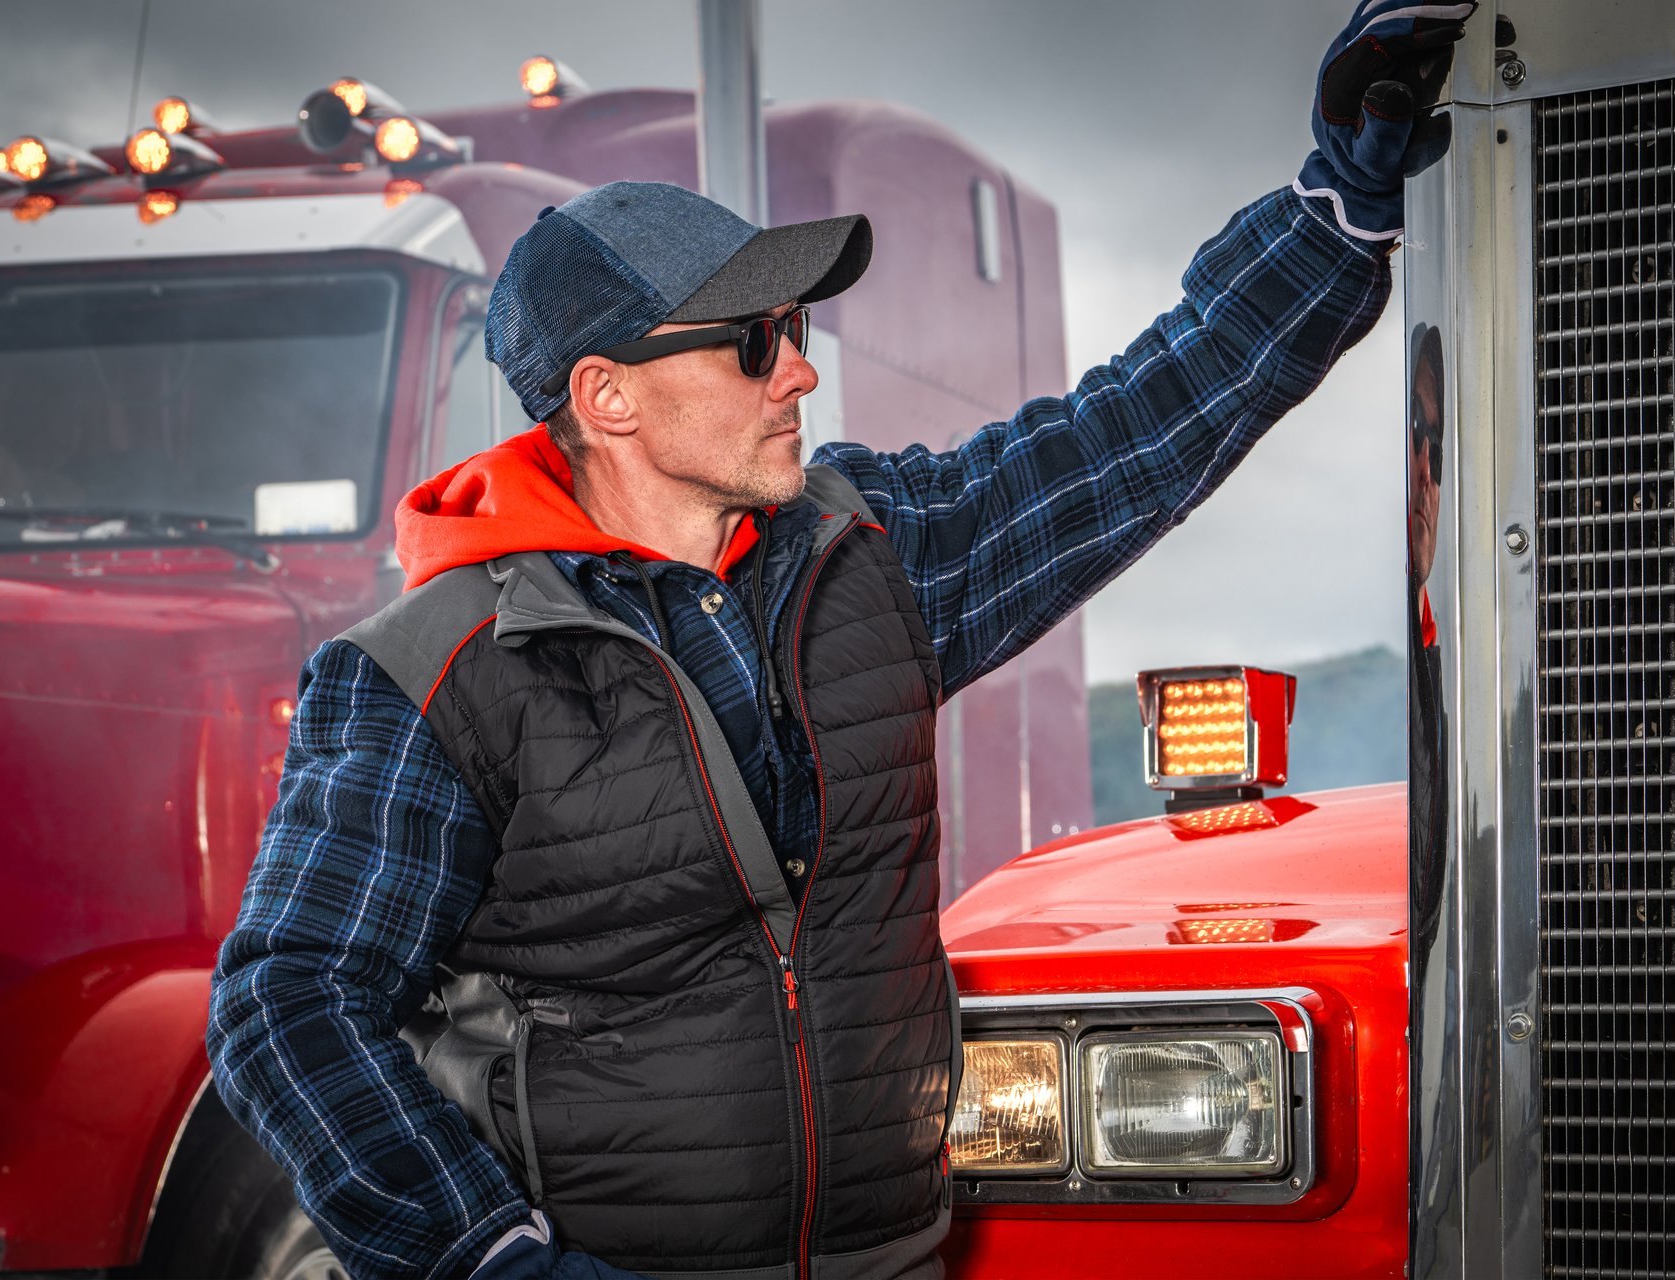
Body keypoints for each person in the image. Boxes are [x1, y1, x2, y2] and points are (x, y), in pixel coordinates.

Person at [207, 4, 1478, 1277]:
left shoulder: (871, 551)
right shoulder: (433, 671)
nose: (799, 373)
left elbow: (1130, 433)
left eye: (798, 332)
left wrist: (1334, 211)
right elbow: (290, 1002)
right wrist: (483, 1254)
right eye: (755, 340)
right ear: (607, 397)